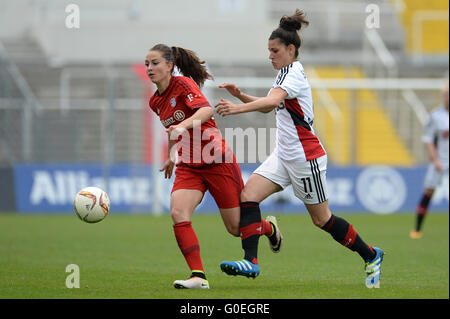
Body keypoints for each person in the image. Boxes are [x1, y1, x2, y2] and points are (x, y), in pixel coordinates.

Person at [215, 9, 384, 288]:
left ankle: (371, 255)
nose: (270, 55)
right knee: (248, 195)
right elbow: (274, 105)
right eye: (268, 51)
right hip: (283, 156)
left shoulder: (292, 74)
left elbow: (270, 104)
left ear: (290, 49)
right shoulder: (284, 74)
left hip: (305, 159)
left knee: (323, 220)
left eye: (275, 50)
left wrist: (236, 107)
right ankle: (251, 262)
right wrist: (242, 95)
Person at [145, 44, 279, 289]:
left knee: (236, 228)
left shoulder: (183, 85)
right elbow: (172, 131)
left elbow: (206, 110)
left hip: (217, 160)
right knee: (178, 213)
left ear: (169, 66)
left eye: (155, 63)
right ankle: (198, 276)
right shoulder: (155, 101)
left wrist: (184, 126)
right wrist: (171, 155)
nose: (150, 68)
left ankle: (269, 228)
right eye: (147, 64)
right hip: (189, 166)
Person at [410, 80, 449, 239]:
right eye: (445, 95)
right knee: (428, 193)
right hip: (439, 161)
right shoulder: (436, 116)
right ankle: (417, 229)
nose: (447, 97)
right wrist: (435, 159)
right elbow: (428, 139)